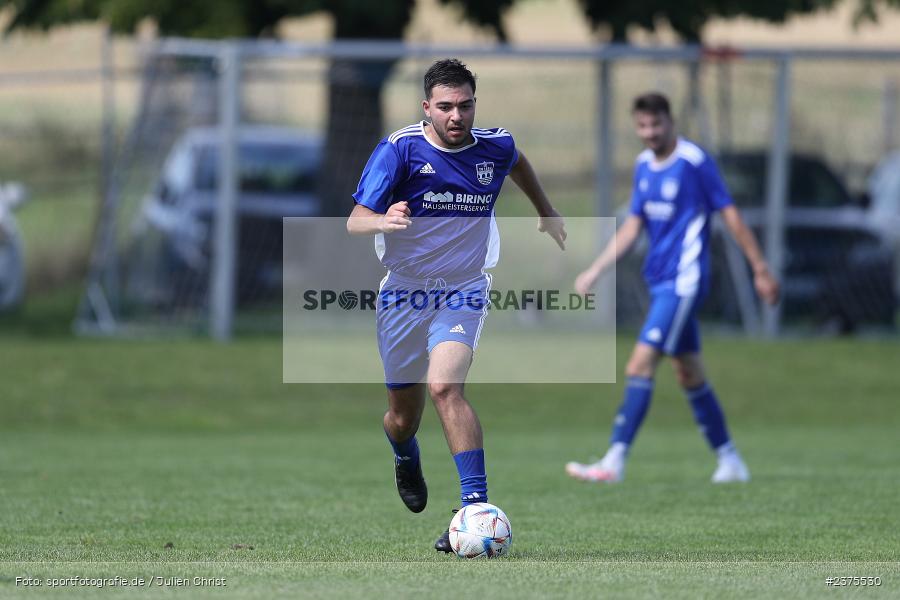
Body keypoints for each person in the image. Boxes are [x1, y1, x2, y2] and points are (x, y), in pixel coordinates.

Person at [346, 58, 566, 551]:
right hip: (404, 290)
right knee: (403, 416)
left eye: (465, 105)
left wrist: (546, 211)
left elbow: (517, 161)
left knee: (446, 384)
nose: (456, 116)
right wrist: (384, 219)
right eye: (445, 106)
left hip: (465, 287)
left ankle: (474, 509)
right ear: (427, 107)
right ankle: (405, 454)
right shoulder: (400, 150)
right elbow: (355, 219)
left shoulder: (494, 146)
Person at [566, 92, 779, 484]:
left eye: (656, 124)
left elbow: (729, 214)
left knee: (639, 364)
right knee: (689, 372)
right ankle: (731, 461)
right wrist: (597, 268)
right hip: (660, 280)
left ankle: (614, 460)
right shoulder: (644, 165)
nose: (649, 133)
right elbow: (634, 224)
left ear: (670, 121)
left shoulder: (694, 162)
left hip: (685, 281)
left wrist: (760, 267)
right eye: (642, 126)